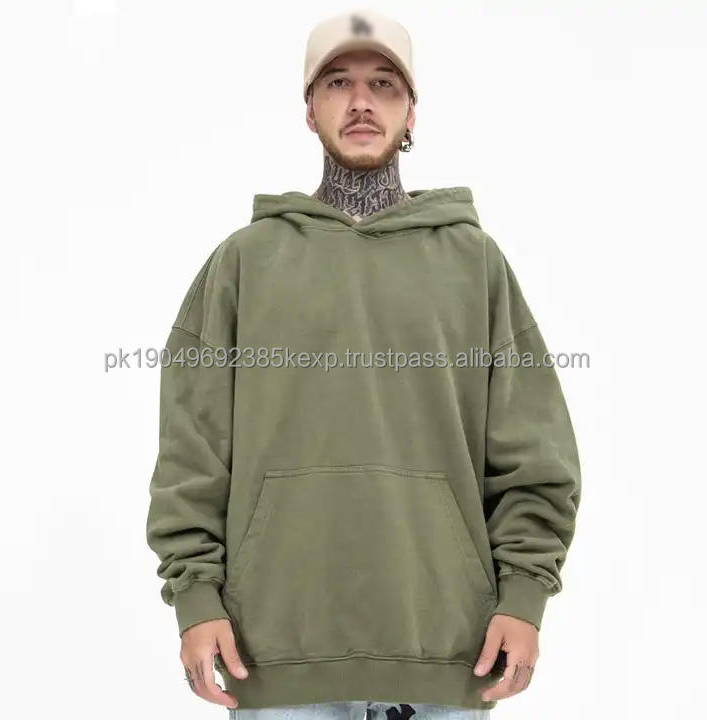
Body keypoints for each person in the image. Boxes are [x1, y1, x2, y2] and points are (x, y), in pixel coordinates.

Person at [145, 8, 581, 720]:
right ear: (309, 110)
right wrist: (195, 597)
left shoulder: (474, 263)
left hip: (447, 651)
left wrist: (525, 595)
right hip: (274, 654)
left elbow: (534, 453)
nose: (360, 102)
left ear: (411, 113)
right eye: (338, 83)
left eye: (384, 84)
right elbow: (191, 452)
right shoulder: (243, 264)